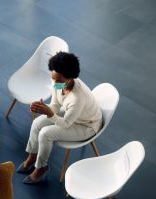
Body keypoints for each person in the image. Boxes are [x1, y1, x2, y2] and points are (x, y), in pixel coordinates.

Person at [18, 52, 102, 184]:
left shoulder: (78, 97)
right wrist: (44, 107)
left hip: (87, 125)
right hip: (72, 115)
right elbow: (56, 105)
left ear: (69, 78)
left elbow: (66, 124)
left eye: (59, 80)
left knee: (45, 134)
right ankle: (32, 157)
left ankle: (41, 167)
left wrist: (49, 113)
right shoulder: (58, 81)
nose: (55, 82)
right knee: (37, 123)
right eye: (53, 77)